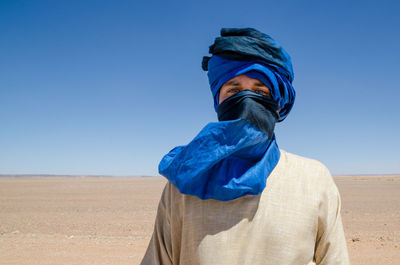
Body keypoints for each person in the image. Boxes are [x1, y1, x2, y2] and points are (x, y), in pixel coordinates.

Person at [141, 28, 350, 265]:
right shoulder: (183, 184)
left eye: (260, 91)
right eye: (234, 90)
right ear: (218, 100)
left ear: (278, 104)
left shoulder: (313, 179)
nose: (247, 101)